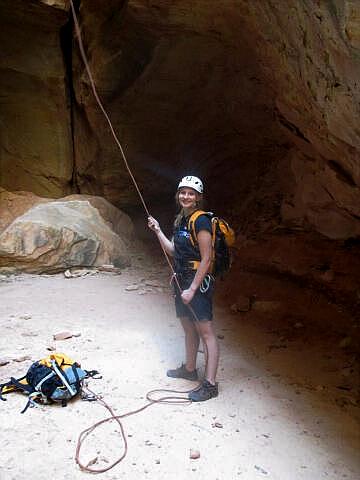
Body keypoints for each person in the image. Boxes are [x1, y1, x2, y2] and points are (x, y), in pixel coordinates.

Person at [148, 175, 219, 402]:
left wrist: (193, 289)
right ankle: (190, 369)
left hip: (196, 281)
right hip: (180, 278)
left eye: (190, 193)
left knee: (205, 332)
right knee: (188, 328)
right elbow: (172, 251)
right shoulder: (180, 221)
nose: (185, 196)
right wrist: (158, 231)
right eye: (182, 192)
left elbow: (207, 260)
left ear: (198, 197)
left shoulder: (201, 222)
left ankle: (210, 384)